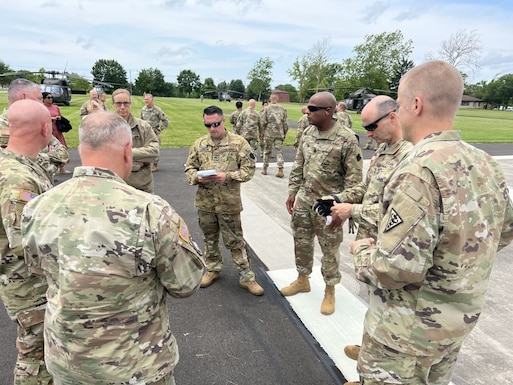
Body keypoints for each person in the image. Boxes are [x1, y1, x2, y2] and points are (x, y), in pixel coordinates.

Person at [350, 60, 513, 385]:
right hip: (453, 327)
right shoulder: (485, 163)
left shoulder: (417, 172)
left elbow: (396, 269)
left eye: (399, 102)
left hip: (404, 335)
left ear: (416, 104)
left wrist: (361, 252)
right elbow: (503, 232)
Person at [21, 111, 204, 385]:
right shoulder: (150, 211)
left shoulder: (38, 206)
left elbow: (38, 270)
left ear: (81, 150)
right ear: (128, 151)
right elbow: (185, 283)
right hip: (134, 367)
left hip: (66, 363)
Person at [327, 96, 412, 383]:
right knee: (374, 308)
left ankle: (374, 373)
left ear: (392, 117)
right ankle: (370, 352)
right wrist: (339, 199)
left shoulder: (410, 158)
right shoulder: (384, 151)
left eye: (372, 127)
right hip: (369, 248)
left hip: (391, 251)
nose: (369, 134)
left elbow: (398, 214)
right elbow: (366, 187)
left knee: (391, 317)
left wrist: (352, 210)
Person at [281, 92, 363, 315]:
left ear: (328, 111)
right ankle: (302, 279)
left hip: (328, 207)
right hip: (304, 202)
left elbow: (355, 183)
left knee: (329, 249)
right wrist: (292, 191)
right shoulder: (308, 132)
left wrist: (341, 208)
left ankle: (330, 289)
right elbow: (299, 164)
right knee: (301, 242)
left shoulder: (347, 139)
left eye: (312, 108)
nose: (307, 111)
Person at [0, 99, 54, 385]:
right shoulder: (18, 179)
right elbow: (25, 243)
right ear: (46, 129)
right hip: (30, 287)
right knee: (36, 361)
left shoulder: (18, 165)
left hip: (25, 282)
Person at [184, 105, 264, 296]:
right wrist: (197, 177)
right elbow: (189, 169)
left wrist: (228, 176)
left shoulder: (239, 143)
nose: (212, 129)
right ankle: (213, 269)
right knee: (209, 238)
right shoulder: (199, 144)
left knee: (235, 241)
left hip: (229, 203)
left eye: (216, 124)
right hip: (206, 203)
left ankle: (246, 276)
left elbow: (249, 170)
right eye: (208, 125)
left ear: (224, 121)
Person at [0, 78, 69, 182]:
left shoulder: (37, 122)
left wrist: (38, 160)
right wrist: (48, 160)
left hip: (42, 186)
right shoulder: (2, 126)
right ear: (23, 97)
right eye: (39, 99)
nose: (42, 103)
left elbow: (62, 152)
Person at [112, 88, 159, 193]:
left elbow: (154, 151)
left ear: (130, 104)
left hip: (141, 187)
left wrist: (126, 153)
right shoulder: (105, 128)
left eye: (126, 103)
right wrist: (139, 162)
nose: (123, 107)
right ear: (113, 104)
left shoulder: (143, 126)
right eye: (119, 103)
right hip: (114, 187)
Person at [42, 91, 71, 174]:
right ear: (43, 99)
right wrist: (50, 119)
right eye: (48, 97)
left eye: (51, 97)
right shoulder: (42, 107)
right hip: (48, 130)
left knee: (61, 146)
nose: (51, 99)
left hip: (56, 129)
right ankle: (49, 168)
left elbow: (60, 116)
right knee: (49, 149)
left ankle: (62, 168)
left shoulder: (55, 107)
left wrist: (58, 118)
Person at [260, 94, 288, 177]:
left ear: (270, 99)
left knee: (267, 151)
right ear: (278, 99)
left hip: (269, 133)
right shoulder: (282, 109)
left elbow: (263, 122)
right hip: (279, 133)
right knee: (279, 152)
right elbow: (285, 123)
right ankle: (280, 169)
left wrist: (262, 132)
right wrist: (284, 133)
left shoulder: (267, 109)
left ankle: (264, 169)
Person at [140, 92, 169, 172]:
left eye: (147, 99)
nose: (146, 101)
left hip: (154, 133)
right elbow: (141, 120)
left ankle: (155, 165)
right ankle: (145, 163)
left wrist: (159, 129)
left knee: (155, 149)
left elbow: (165, 121)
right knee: (144, 148)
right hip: (145, 133)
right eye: (145, 99)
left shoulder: (157, 110)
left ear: (152, 100)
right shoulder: (143, 109)